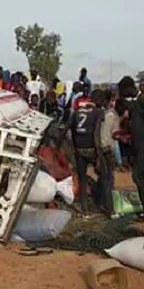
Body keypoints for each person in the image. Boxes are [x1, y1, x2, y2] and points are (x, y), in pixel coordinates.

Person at [60, 89, 106, 217]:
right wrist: (99, 156)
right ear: (100, 101)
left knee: (82, 180)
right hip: (92, 149)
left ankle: (84, 210)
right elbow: (96, 134)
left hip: (79, 150)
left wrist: (62, 146)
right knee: (105, 177)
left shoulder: (76, 112)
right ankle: (104, 205)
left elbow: (65, 129)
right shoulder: (98, 112)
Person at [119, 76, 144, 220]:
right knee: (143, 176)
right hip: (137, 146)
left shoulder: (143, 99)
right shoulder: (135, 103)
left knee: (137, 175)